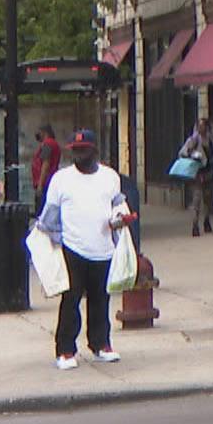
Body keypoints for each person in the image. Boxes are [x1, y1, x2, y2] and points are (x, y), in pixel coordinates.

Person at [36, 130, 128, 370]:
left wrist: (119, 220)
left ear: (94, 151)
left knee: (100, 299)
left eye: (84, 150)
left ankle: (100, 344)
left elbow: (118, 205)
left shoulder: (110, 177)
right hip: (72, 248)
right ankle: (65, 349)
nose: (79, 156)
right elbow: (49, 218)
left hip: (103, 248)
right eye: (75, 151)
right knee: (71, 300)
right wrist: (54, 244)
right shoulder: (60, 179)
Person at [180, 117, 213, 236]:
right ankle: (195, 225)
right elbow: (183, 152)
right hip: (198, 174)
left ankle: (206, 221)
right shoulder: (194, 139)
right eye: (200, 126)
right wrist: (192, 154)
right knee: (197, 200)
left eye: (203, 126)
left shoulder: (212, 140)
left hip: (208, 173)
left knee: (207, 200)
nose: (201, 128)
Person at [29, 125, 62, 213]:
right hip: (48, 181)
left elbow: (46, 164)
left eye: (39, 132)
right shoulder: (52, 144)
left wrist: (40, 184)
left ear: (44, 132)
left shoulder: (48, 144)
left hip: (46, 182)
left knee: (42, 210)